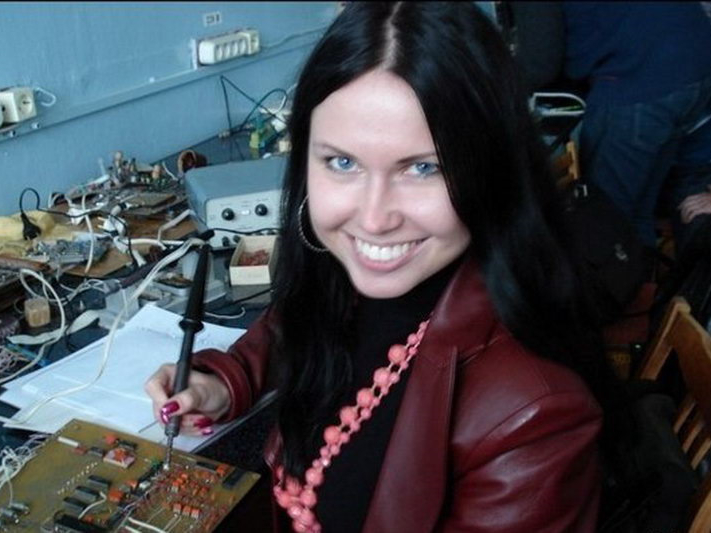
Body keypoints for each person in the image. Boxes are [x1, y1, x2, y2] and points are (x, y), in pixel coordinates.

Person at [146, 3, 622, 531]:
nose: (373, 220)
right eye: (342, 162)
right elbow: (297, 324)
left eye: (423, 168)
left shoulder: (533, 417)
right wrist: (228, 381)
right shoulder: (346, 277)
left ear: (491, 169)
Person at [561, 2, 711, 252]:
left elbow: (539, 62)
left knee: (607, 218)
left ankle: (628, 274)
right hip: (686, 72)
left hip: (642, 84)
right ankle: (642, 274)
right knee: (637, 210)